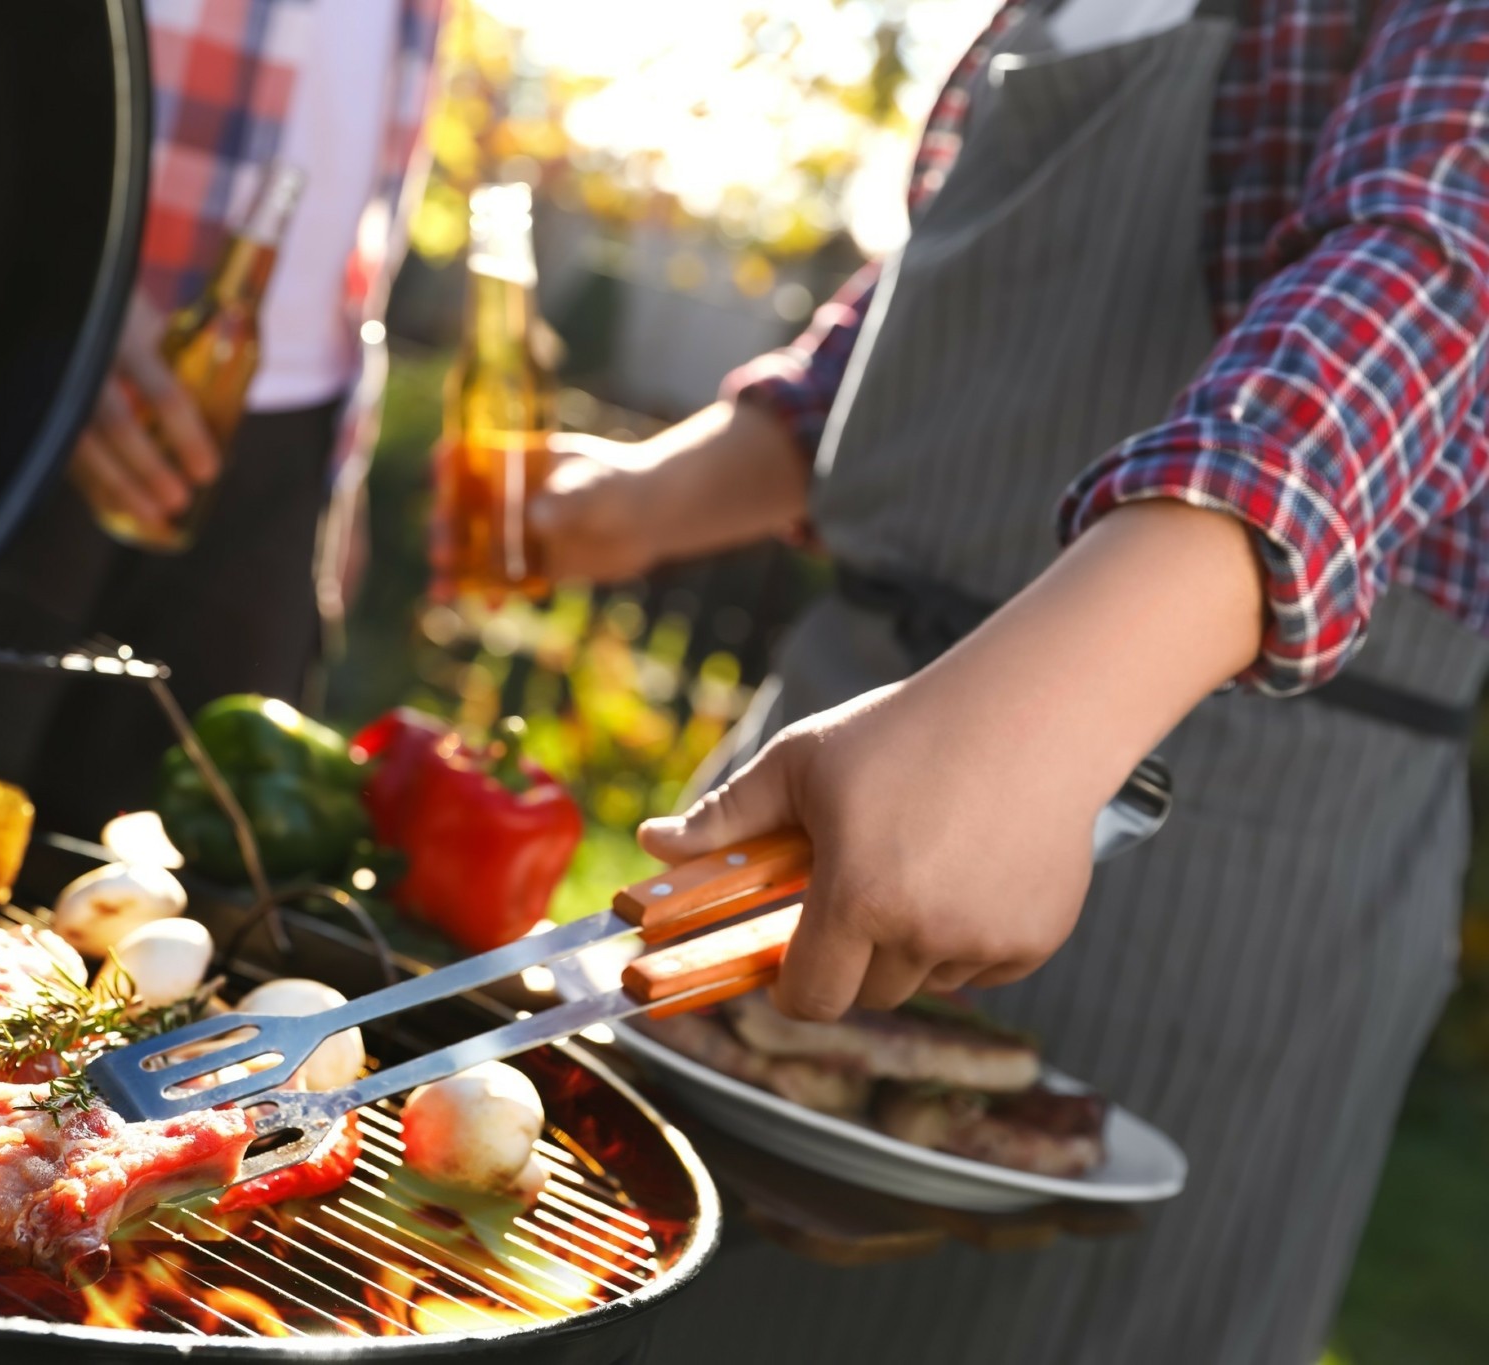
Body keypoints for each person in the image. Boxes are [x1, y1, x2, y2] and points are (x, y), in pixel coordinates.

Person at [530, 0, 1489, 1360]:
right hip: (843, 753)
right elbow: (935, 317)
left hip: (1220, 840)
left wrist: (1048, 710)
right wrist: (633, 506)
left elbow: (1438, 256)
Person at [28, 0, 446, 829]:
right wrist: (44, 273)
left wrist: (341, 473)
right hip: (50, 381)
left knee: (170, 894)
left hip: (290, 440)